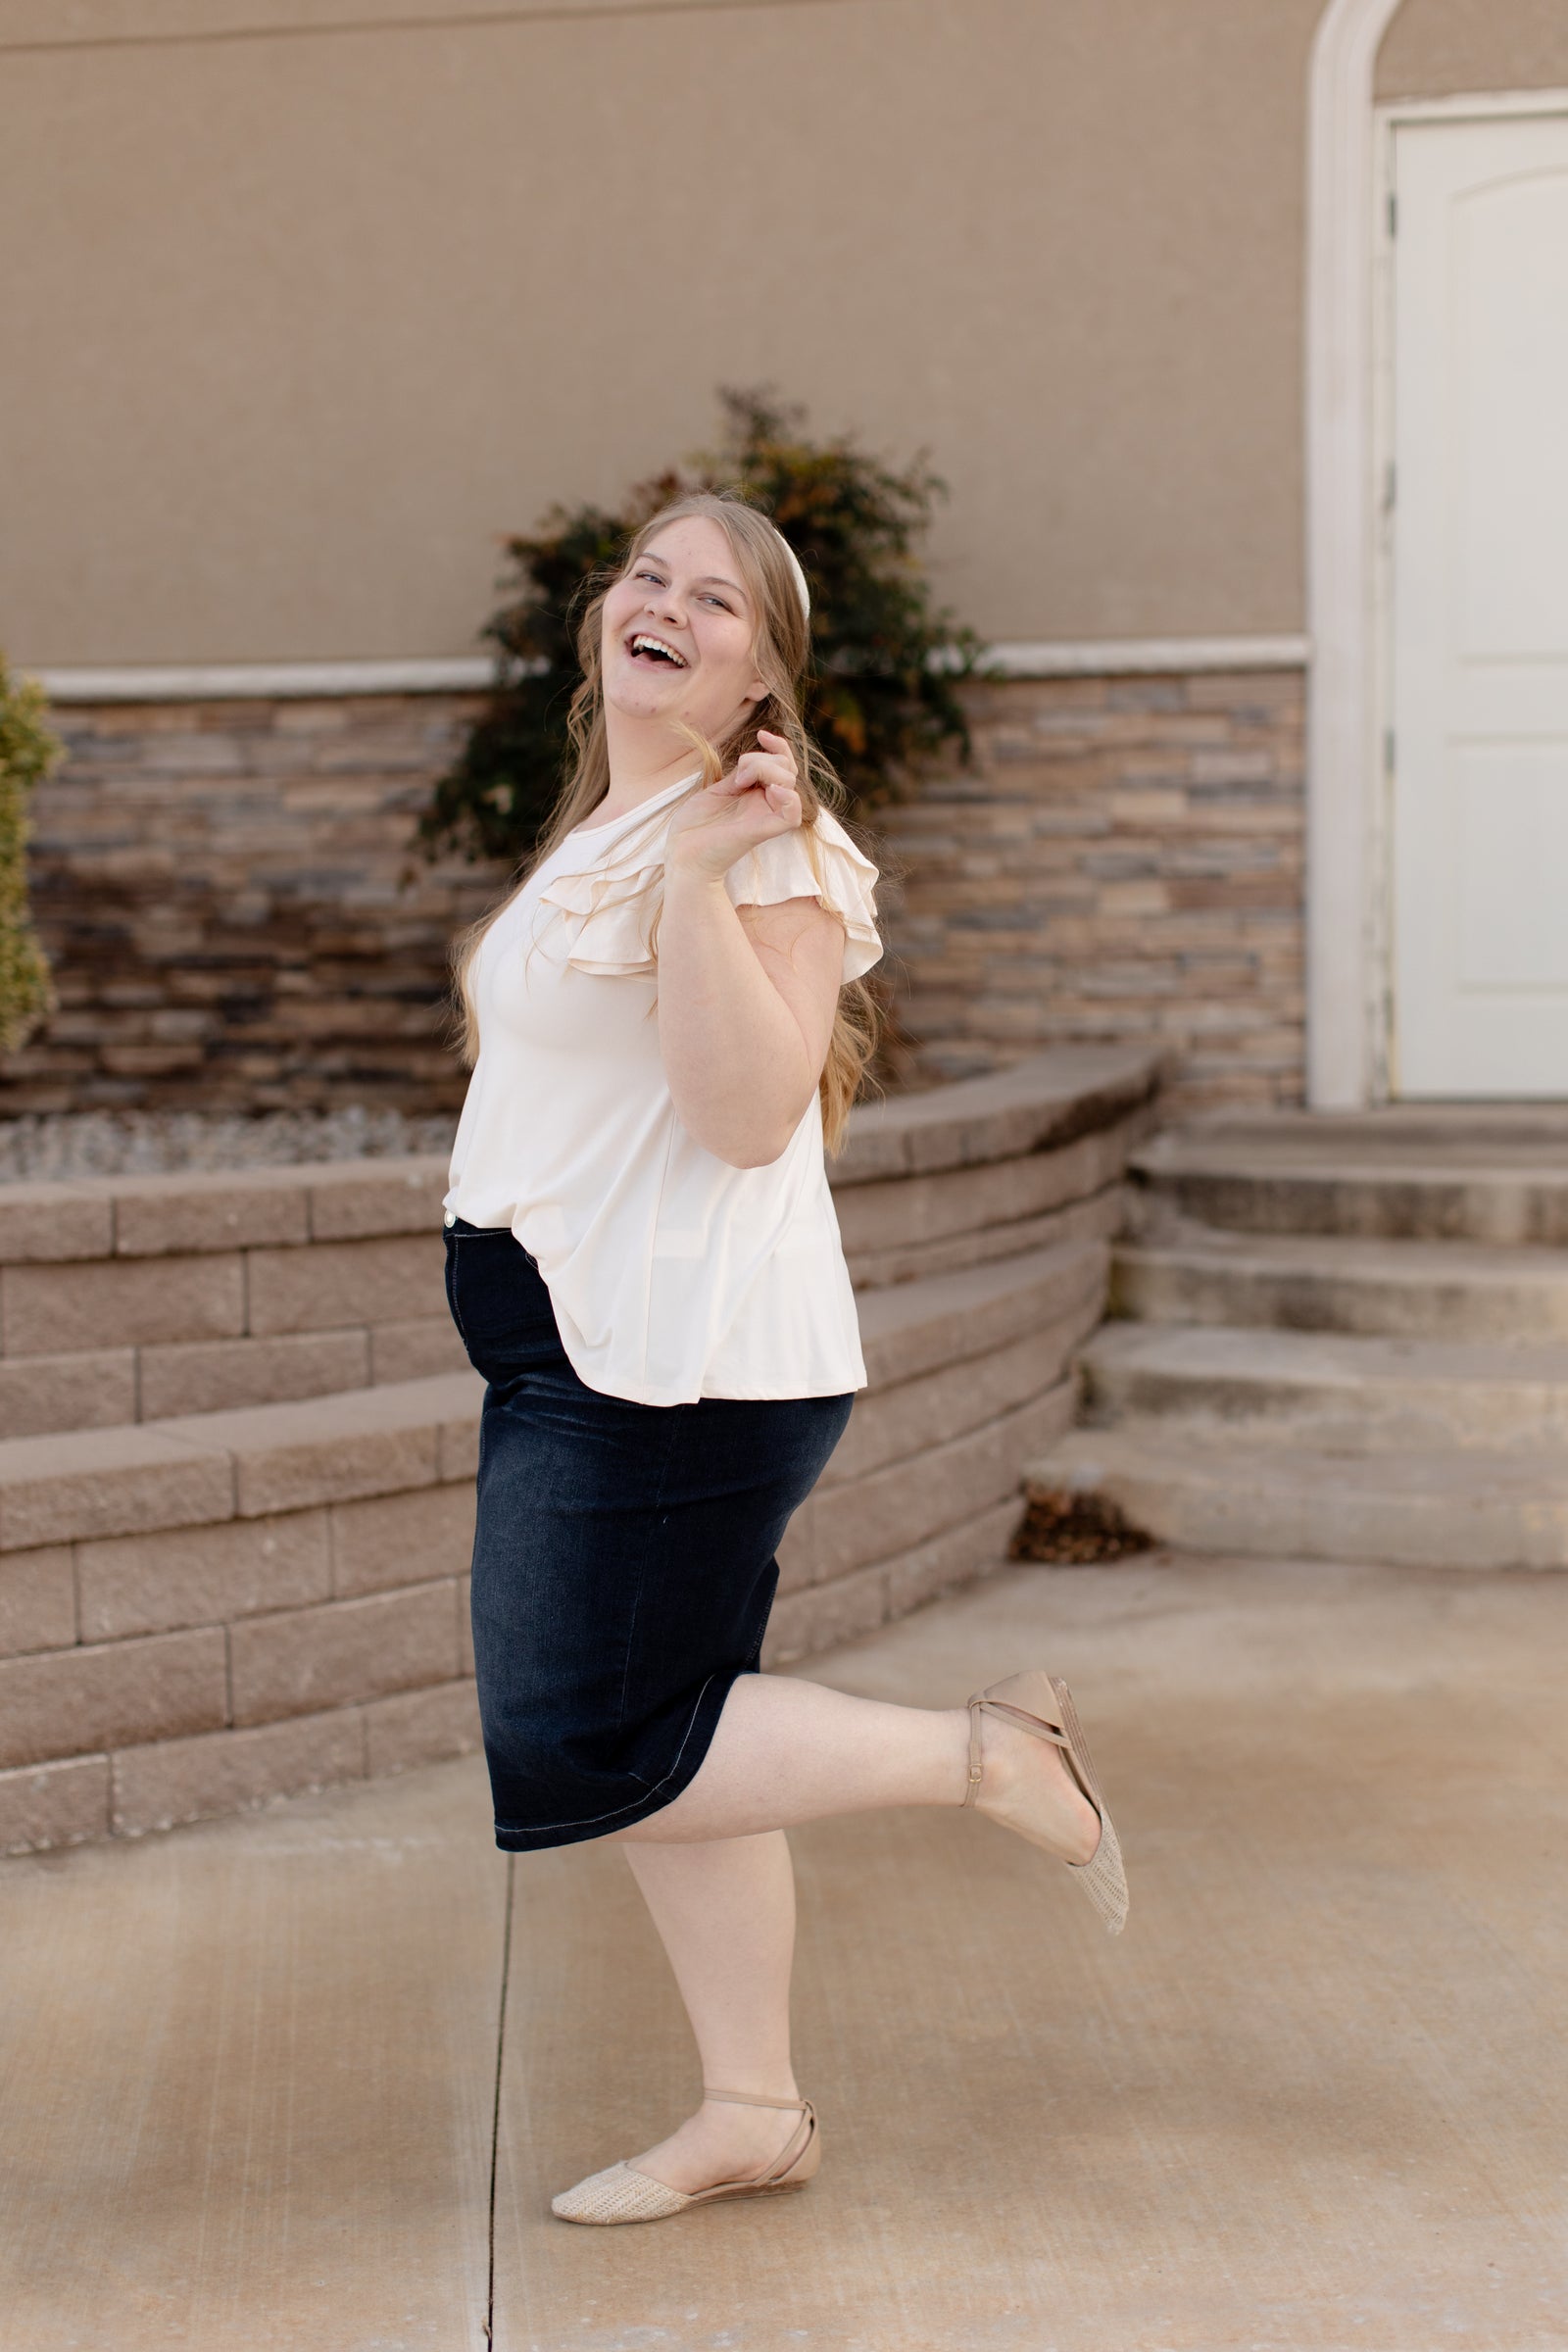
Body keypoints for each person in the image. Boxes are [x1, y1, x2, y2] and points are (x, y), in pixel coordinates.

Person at [440, 490, 1127, 2229]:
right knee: (681, 1735)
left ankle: (987, 1755)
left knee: (581, 1740)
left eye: (718, 600)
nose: (665, 604)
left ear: (765, 675)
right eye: (649, 575)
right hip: (589, 1348)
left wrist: (697, 871)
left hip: (676, 1373)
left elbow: (750, 1114)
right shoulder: (619, 816)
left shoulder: (769, 845)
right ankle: (754, 2106)